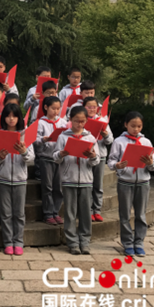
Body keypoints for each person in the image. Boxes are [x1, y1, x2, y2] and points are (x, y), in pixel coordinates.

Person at [107, 111, 154, 257]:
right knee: (124, 214)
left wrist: (150, 164)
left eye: (139, 126)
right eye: (133, 126)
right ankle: (127, 243)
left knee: (141, 214)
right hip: (125, 181)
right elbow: (110, 162)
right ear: (126, 125)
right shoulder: (118, 141)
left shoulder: (146, 142)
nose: (136, 129)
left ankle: (139, 242)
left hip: (143, 182)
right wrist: (118, 165)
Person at [53, 106, 100, 255]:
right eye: (76, 121)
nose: (79, 124)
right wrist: (61, 153)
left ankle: (85, 241)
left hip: (86, 180)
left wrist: (92, 156)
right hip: (69, 179)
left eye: (83, 121)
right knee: (70, 212)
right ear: (70, 120)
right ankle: (72, 242)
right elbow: (55, 157)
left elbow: (96, 161)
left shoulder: (91, 138)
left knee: (86, 212)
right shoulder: (63, 137)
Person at [0, 104, 34, 256]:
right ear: (3, 118)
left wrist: (24, 152)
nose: (11, 119)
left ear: (19, 118)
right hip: (3, 178)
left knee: (19, 213)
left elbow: (32, 158)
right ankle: (8, 242)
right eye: (8, 116)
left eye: (14, 116)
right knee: (6, 212)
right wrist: (0, 157)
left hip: (20, 179)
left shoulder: (25, 135)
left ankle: (18, 241)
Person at [34, 96, 67, 226]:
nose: (56, 111)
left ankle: (56, 212)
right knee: (47, 186)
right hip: (46, 157)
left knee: (58, 187)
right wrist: (44, 140)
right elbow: (34, 140)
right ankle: (48, 213)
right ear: (46, 107)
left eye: (58, 108)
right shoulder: (40, 123)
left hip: (59, 158)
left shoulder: (62, 122)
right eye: (53, 108)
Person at [83, 97, 113, 222]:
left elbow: (110, 141)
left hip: (100, 156)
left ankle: (97, 210)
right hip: (85, 156)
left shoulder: (103, 121)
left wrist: (105, 135)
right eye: (88, 106)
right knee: (88, 184)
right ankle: (88, 210)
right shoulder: (81, 121)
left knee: (98, 185)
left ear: (98, 108)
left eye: (94, 107)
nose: (91, 109)